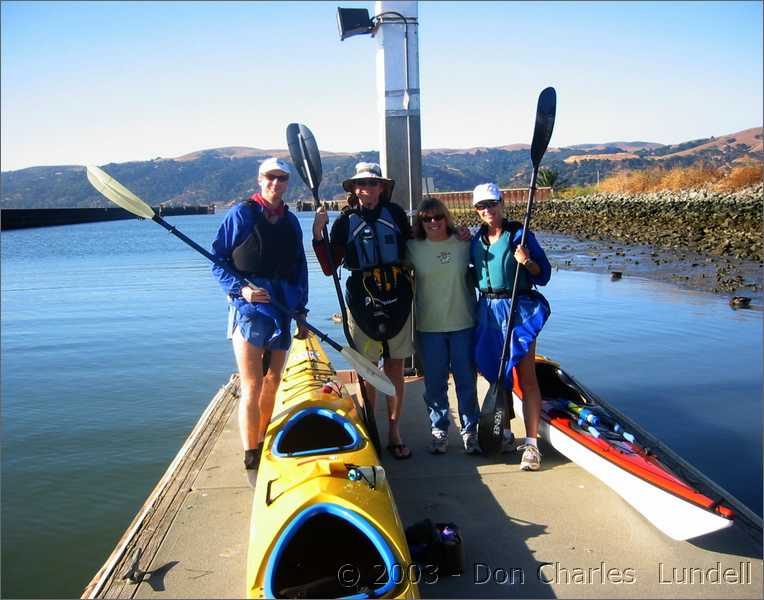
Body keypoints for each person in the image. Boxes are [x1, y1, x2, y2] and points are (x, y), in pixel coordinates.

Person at [211, 157, 309, 476]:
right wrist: (242, 290)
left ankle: (266, 432)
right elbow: (218, 261)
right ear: (259, 179)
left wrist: (301, 311)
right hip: (249, 309)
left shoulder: (291, 222)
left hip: (282, 307)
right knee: (252, 383)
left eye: (281, 178)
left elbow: (299, 268)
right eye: (270, 177)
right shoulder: (241, 214)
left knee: (274, 379)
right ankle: (251, 450)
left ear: (287, 183)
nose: (275, 183)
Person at [313, 162, 414, 460]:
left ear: (382, 188)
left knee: (395, 368)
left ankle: (394, 433)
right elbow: (330, 267)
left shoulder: (395, 215)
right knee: (368, 370)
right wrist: (319, 234)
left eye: (371, 184)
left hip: (397, 298)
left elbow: (417, 246)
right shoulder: (344, 222)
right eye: (360, 185)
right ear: (353, 190)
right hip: (362, 302)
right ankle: (370, 430)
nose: (365, 190)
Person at [470, 182, 551, 471]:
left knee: (526, 376)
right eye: (481, 206)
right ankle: (503, 434)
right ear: (476, 211)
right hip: (488, 312)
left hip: (518, 310)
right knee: (496, 375)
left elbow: (544, 276)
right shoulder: (474, 241)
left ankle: (531, 445)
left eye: (491, 204)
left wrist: (527, 261)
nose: (487, 210)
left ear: (502, 204)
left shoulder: (520, 234)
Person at [406, 198, 481, 455]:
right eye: (427, 219)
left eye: (438, 217)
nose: (433, 222)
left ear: (446, 218)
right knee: (435, 383)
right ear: (420, 222)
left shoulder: (463, 243)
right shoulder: (412, 248)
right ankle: (439, 430)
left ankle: (470, 431)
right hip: (429, 327)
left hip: (463, 324)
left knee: (466, 381)